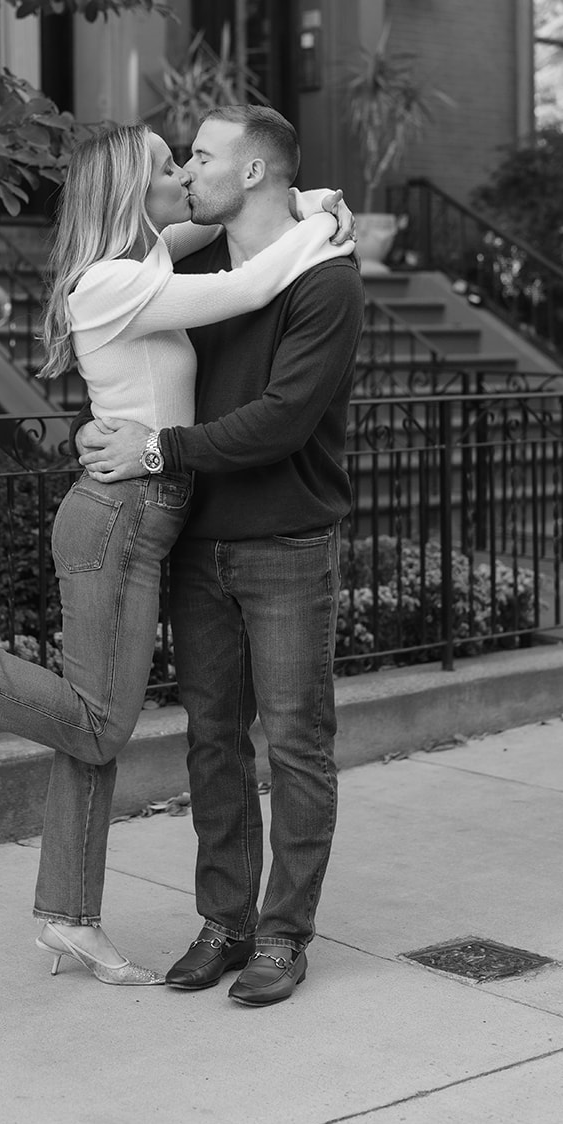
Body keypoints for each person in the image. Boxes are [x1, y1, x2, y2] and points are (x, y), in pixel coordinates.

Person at [0, 121, 354, 987]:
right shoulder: (119, 280)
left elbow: (235, 236)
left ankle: (98, 919)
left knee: (114, 724)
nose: (183, 173)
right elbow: (251, 276)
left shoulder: (152, 262)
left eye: (194, 161)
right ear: (127, 191)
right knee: (110, 721)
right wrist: (319, 225)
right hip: (127, 515)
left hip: (171, 518)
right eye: (166, 166)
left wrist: (308, 204)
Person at [77, 104, 364, 1008]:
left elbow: (282, 419)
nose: (186, 170)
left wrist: (157, 451)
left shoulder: (325, 281)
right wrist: (106, 430)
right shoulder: (186, 265)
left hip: (285, 541)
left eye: (200, 157)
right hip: (195, 543)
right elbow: (134, 365)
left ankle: (283, 935)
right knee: (211, 743)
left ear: (248, 174)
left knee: (297, 744)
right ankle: (225, 923)